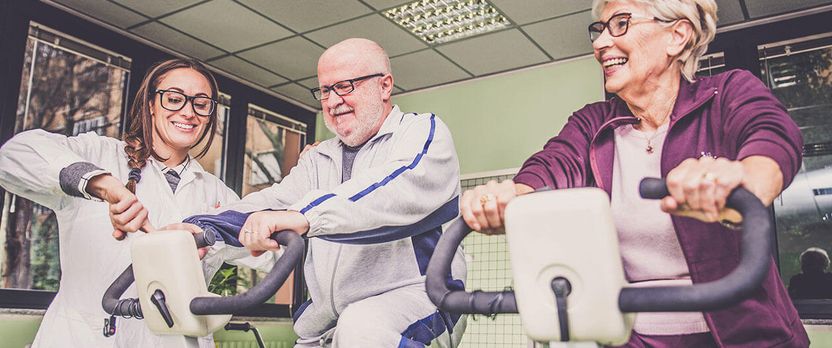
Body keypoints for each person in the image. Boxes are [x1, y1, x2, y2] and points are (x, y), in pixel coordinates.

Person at [460, 0, 809, 347]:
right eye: (599, 30)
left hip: (747, 335)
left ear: (677, 36)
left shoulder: (726, 93)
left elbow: (773, 135)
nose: (599, 44)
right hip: (636, 336)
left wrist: (745, 180)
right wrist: (512, 199)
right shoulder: (593, 123)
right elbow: (553, 164)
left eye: (621, 23)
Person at [182, 38, 467, 348]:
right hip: (328, 324)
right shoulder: (318, 160)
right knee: (352, 328)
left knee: (362, 329)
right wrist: (204, 226)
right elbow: (273, 202)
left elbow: (392, 188)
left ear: (384, 86)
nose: (332, 101)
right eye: (325, 90)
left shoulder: (421, 133)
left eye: (345, 86)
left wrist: (302, 217)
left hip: (424, 300)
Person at [0, 58, 274, 347]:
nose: (188, 111)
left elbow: (274, 253)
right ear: (151, 104)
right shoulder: (100, 155)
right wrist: (101, 184)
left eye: (201, 103)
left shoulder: (219, 196)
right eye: (174, 99)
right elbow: (13, 156)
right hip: (86, 338)